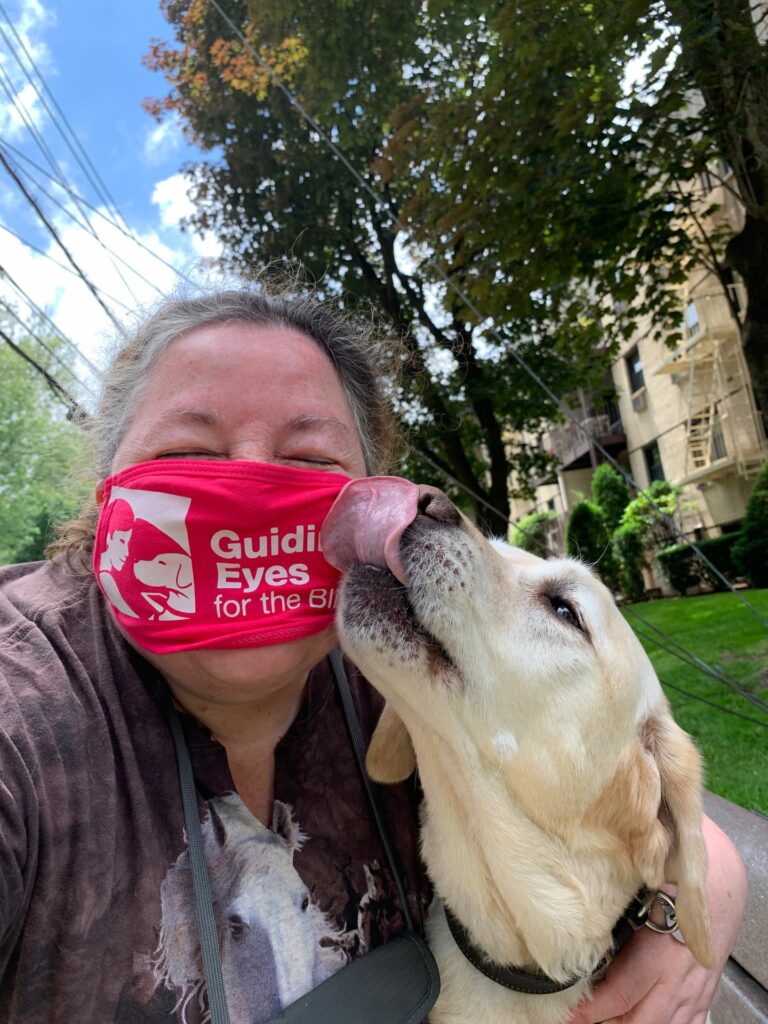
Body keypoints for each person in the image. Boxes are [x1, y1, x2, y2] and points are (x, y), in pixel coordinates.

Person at [0, 286, 746, 1023]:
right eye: (191, 452)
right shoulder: (23, 706)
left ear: (361, 501)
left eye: (308, 459)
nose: (254, 484)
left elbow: (607, 766)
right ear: (106, 495)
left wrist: (706, 882)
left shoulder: (389, 668)